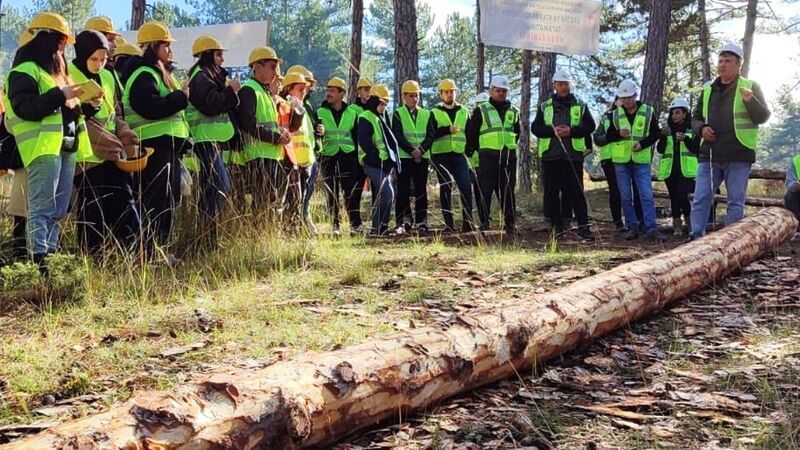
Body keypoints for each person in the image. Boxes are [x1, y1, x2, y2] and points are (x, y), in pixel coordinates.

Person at [5, 12, 90, 268]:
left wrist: (86, 103)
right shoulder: (25, 71)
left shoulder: (57, 73)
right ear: (48, 39)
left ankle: (49, 257)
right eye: (62, 40)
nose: (64, 47)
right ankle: (38, 262)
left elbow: (64, 109)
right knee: (42, 209)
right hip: (43, 149)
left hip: (65, 147)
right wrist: (59, 95)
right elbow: (26, 108)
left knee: (59, 210)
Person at [121, 21, 191, 253]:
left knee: (167, 200)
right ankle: (150, 251)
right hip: (154, 149)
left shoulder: (155, 73)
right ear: (153, 47)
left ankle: (159, 249)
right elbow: (150, 107)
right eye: (166, 45)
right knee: (156, 202)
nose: (170, 51)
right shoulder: (143, 74)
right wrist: (180, 97)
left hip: (165, 148)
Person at [70, 30, 142, 255]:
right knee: (92, 217)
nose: (99, 64)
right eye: (94, 59)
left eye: (103, 59)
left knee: (126, 209)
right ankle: (94, 266)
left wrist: (126, 135)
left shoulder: (110, 76)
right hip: (86, 161)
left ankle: (135, 259)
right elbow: (76, 119)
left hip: (113, 158)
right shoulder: (68, 75)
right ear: (82, 55)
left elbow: (114, 115)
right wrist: (113, 145)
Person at [689, 43, 771, 239]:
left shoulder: (750, 87)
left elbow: (762, 117)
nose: (722, 65)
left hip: (738, 154)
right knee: (701, 198)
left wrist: (751, 102)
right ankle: (695, 237)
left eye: (728, 61)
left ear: (738, 65)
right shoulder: (708, 90)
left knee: (735, 201)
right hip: (710, 154)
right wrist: (701, 129)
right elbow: (695, 118)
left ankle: (731, 242)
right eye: (720, 61)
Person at [186, 35, 239, 246]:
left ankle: (206, 239)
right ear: (207, 55)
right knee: (221, 185)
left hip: (213, 141)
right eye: (218, 54)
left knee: (212, 189)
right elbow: (211, 105)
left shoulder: (206, 76)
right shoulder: (199, 78)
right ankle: (205, 238)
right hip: (205, 141)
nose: (222, 60)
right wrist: (231, 91)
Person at [531, 69, 595, 241]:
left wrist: (571, 131)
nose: (563, 87)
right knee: (551, 192)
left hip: (572, 156)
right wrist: (553, 132)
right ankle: (556, 227)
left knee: (576, 192)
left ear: (570, 85)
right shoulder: (545, 106)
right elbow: (535, 128)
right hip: (550, 156)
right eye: (560, 84)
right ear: (554, 86)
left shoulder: (580, 105)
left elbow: (590, 126)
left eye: (565, 84)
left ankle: (583, 226)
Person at [601, 79, 663, 241]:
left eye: (629, 97)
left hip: (641, 160)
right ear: (620, 99)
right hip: (620, 161)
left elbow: (656, 133)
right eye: (624, 98)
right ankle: (632, 227)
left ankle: (651, 229)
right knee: (626, 196)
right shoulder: (615, 115)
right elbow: (607, 137)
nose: (627, 101)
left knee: (646, 195)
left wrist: (642, 144)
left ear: (635, 95)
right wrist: (618, 134)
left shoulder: (648, 111)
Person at [235, 46, 292, 214]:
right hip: (258, 155)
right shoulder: (249, 90)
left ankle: (263, 234)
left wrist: (281, 133)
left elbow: (267, 123)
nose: (276, 72)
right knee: (263, 200)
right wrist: (276, 138)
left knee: (269, 200)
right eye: (272, 67)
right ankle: (257, 235)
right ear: (257, 67)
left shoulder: (264, 92)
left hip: (270, 155)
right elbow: (248, 124)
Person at [466, 76, 520, 234]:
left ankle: (510, 224)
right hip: (488, 156)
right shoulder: (481, 110)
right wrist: (480, 149)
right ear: (491, 91)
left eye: (504, 91)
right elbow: (472, 133)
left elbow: (517, 132)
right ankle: (484, 223)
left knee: (507, 191)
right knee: (485, 191)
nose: (501, 93)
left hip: (508, 156)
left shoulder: (514, 111)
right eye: (498, 91)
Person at [317, 76, 364, 236]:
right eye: (328, 90)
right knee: (331, 193)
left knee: (350, 192)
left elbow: (357, 138)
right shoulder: (320, 111)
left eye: (332, 91)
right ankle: (335, 226)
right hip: (328, 156)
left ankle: (355, 225)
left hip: (348, 157)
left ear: (341, 93)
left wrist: (359, 160)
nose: (328, 93)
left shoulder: (352, 113)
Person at [430, 78, 474, 232]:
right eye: (446, 92)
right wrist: (446, 130)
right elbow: (430, 135)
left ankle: (467, 223)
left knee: (466, 186)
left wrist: (469, 150)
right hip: (440, 155)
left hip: (458, 155)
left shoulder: (464, 111)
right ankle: (449, 225)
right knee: (446, 185)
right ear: (441, 94)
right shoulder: (434, 113)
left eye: (452, 91)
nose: (449, 94)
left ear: (456, 93)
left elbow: (470, 133)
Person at [392, 80, 433, 234]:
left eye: (416, 95)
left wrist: (421, 151)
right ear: (403, 97)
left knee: (421, 190)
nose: (414, 99)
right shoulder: (397, 114)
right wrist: (411, 151)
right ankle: (404, 221)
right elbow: (398, 135)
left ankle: (422, 221)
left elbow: (431, 135)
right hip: (404, 157)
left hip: (422, 157)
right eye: (411, 96)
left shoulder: (426, 114)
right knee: (402, 189)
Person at [357, 84, 397, 236]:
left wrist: (389, 161)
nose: (384, 107)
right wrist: (379, 159)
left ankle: (380, 227)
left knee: (384, 194)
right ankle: (378, 227)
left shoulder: (379, 118)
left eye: (386, 104)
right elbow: (365, 142)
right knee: (387, 192)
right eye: (382, 104)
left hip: (381, 164)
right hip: (371, 162)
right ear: (374, 101)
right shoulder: (366, 117)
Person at [656, 98, 698, 236]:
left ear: (685, 113)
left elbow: (697, 149)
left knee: (682, 195)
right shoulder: (668, 130)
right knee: (674, 197)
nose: (674, 116)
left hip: (686, 170)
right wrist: (662, 137)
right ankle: (677, 226)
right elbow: (661, 150)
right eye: (673, 113)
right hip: (670, 170)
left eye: (678, 112)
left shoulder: (691, 129)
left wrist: (686, 139)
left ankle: (690, 221)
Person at [280, 71, 315, 232]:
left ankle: (295, 229)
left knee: (299, 199)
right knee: (292, 199)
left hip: (305, 161)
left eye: (305, 88)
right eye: (300, 88)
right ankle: (290, 230)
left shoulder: (301, 108)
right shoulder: (287, 107)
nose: (304, 91)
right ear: (289, 89)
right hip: (292, 162)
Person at [784, 154, 800, 241]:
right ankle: (796, 230)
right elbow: (789, 183)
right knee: (790, 196)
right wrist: (795, 186)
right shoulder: (796, 161)